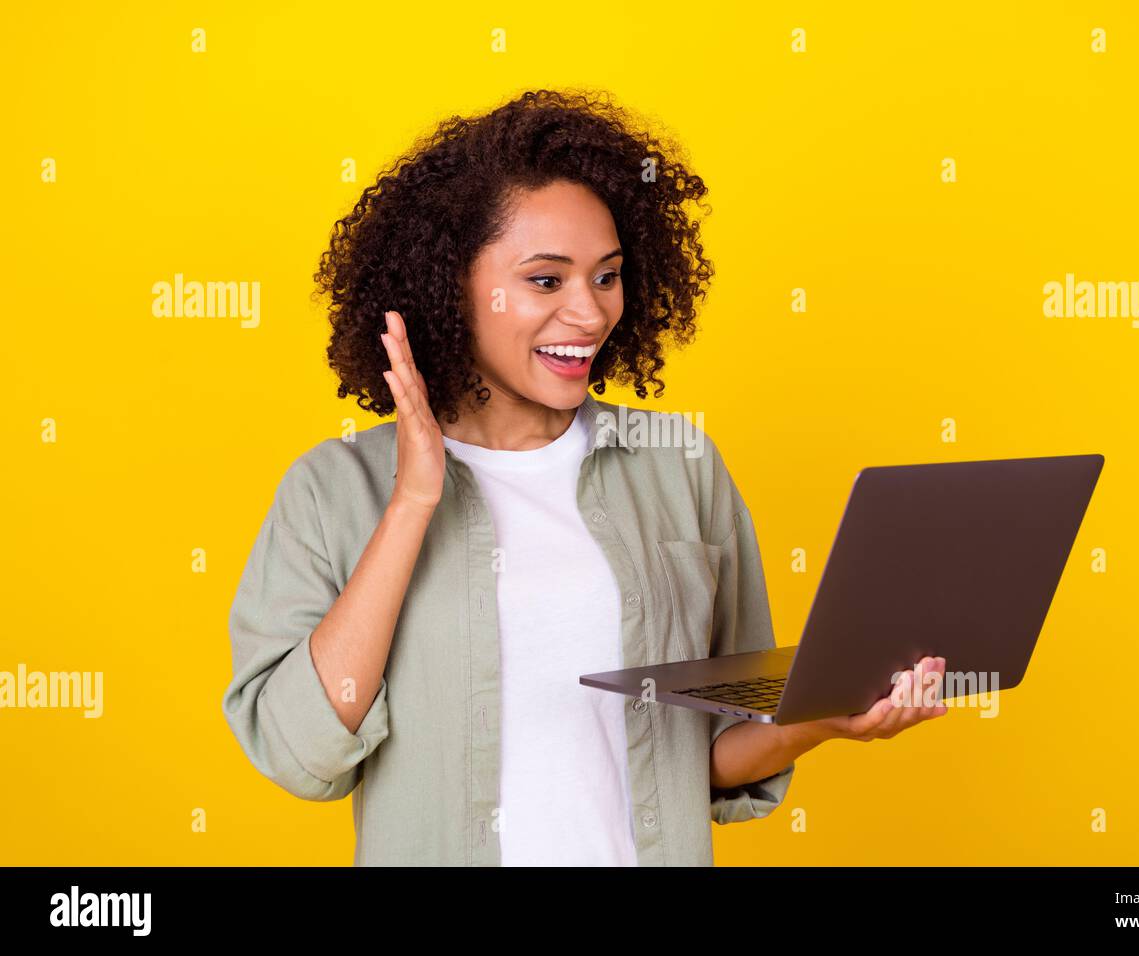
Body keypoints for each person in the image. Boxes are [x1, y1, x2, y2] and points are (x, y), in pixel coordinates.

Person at [221, 88, 947, 866]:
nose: (591, 313)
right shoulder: (334, 489)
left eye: (607, 276)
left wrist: (827, 719)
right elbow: (301, 750)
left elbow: (695, 757)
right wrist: (414, 500)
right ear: (447, 286)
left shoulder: (680, 468)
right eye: (546, 281)